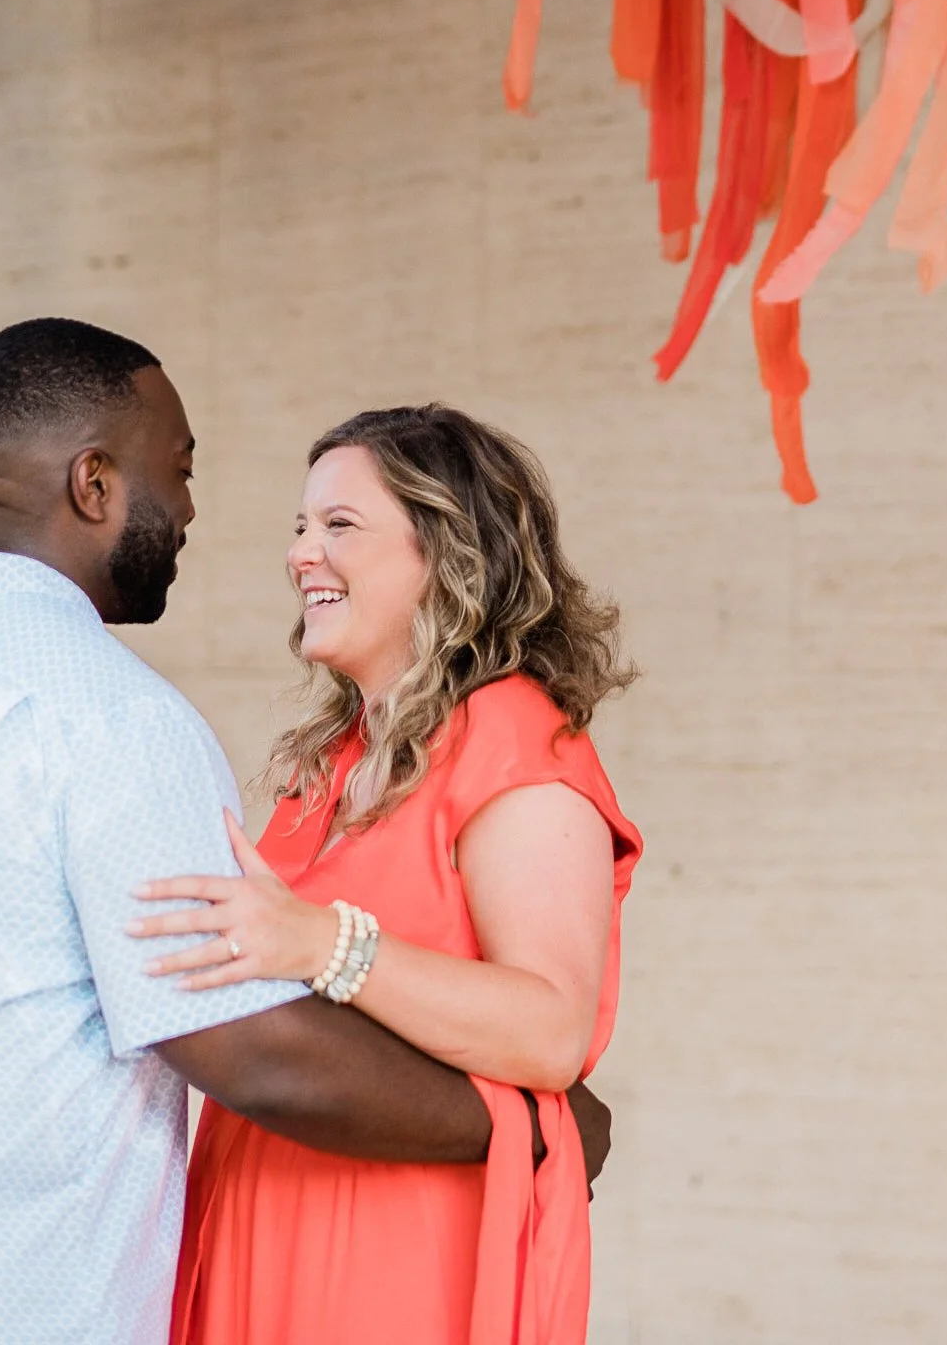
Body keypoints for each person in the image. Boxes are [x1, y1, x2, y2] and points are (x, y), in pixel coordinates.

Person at [0, 322, 606, 1345]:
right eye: (175, 471)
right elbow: (248, 1048)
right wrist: (534, 1128)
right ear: (94, 484)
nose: (189, 509)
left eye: (336, 524)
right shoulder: (114, 718)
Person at [133, 402, 640, 1345]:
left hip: (397, 1255)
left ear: (444, 551)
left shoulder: (513, 737)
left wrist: (325, 941)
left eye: (339, 526)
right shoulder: (331, 761)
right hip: (261, 1215)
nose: (299, 554)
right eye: (299, 527)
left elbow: (550, 1030)